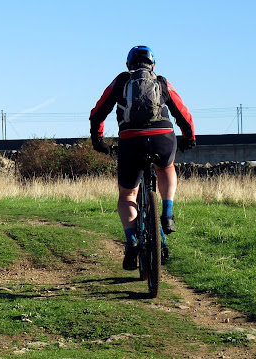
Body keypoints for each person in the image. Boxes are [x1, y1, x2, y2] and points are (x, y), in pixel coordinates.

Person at [89, 46, 196, 270]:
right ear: (153, 65)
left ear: (129, 65)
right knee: (166, 169)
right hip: (162, 138)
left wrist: (98, 140)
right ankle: (167, 214)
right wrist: (189, 137)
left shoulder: (121, 82)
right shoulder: (162, 82)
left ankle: (131, 240)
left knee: (128, 193)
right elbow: (182, 113)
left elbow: (98, 112)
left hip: (131, 140)